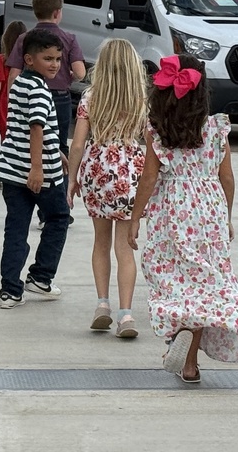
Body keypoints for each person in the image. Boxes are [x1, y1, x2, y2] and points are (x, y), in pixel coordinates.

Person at [127, 54, 238, 383]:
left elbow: (148, 179)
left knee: (173, 280)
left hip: (171, 210)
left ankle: (177, 336)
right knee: (205, 283)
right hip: (208, 209)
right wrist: (225, 216)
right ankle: (190, 365)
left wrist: (134, 218)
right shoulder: (216, 129)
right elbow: (227, 178)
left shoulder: (156, 132)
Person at [68, 39, 147, 338]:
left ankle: (102, 304)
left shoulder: (91, 97)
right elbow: (150, 143)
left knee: (100, 242)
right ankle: (126, 315)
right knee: (125, 247)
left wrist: (71, 180)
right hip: (130, 174)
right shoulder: (139, 99)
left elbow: (77, 144)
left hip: (98, 172)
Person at [0, 29, 72, 309]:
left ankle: (10, 290)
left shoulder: (20, 83)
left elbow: (37, 127)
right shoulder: (39, 89)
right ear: (29, 59)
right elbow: (36, 127)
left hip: (11, 169)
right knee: (59, 217)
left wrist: (58, 152)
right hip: (38, 173)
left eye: (58, 59)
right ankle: (40, 277)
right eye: (47, 58)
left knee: (16, 228)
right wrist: (37, 169)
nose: (54, 64)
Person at [6, 0, 86, 158]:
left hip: (30, 95)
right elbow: (80, 72)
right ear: (57, 13)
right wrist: (68, 74)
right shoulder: (69, 38)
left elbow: (14, 74)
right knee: (59, 144)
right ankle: (59, 179)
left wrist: (11, 100)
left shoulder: (24, 39)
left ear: (36, 12)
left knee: (30, 140)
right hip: (60, 98)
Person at [0, 20, 26, 142]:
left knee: (6, 139)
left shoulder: (0, 60)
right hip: (22, 102)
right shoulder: (28, 61)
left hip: (4, 105)